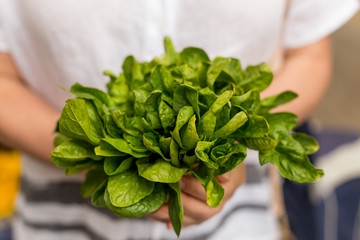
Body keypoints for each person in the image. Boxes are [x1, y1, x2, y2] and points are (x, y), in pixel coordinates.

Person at [0, 0, 358, 239]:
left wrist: (227, 150)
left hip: (237, 223)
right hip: (60, 225)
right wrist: (103, 158)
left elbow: (308, 55)